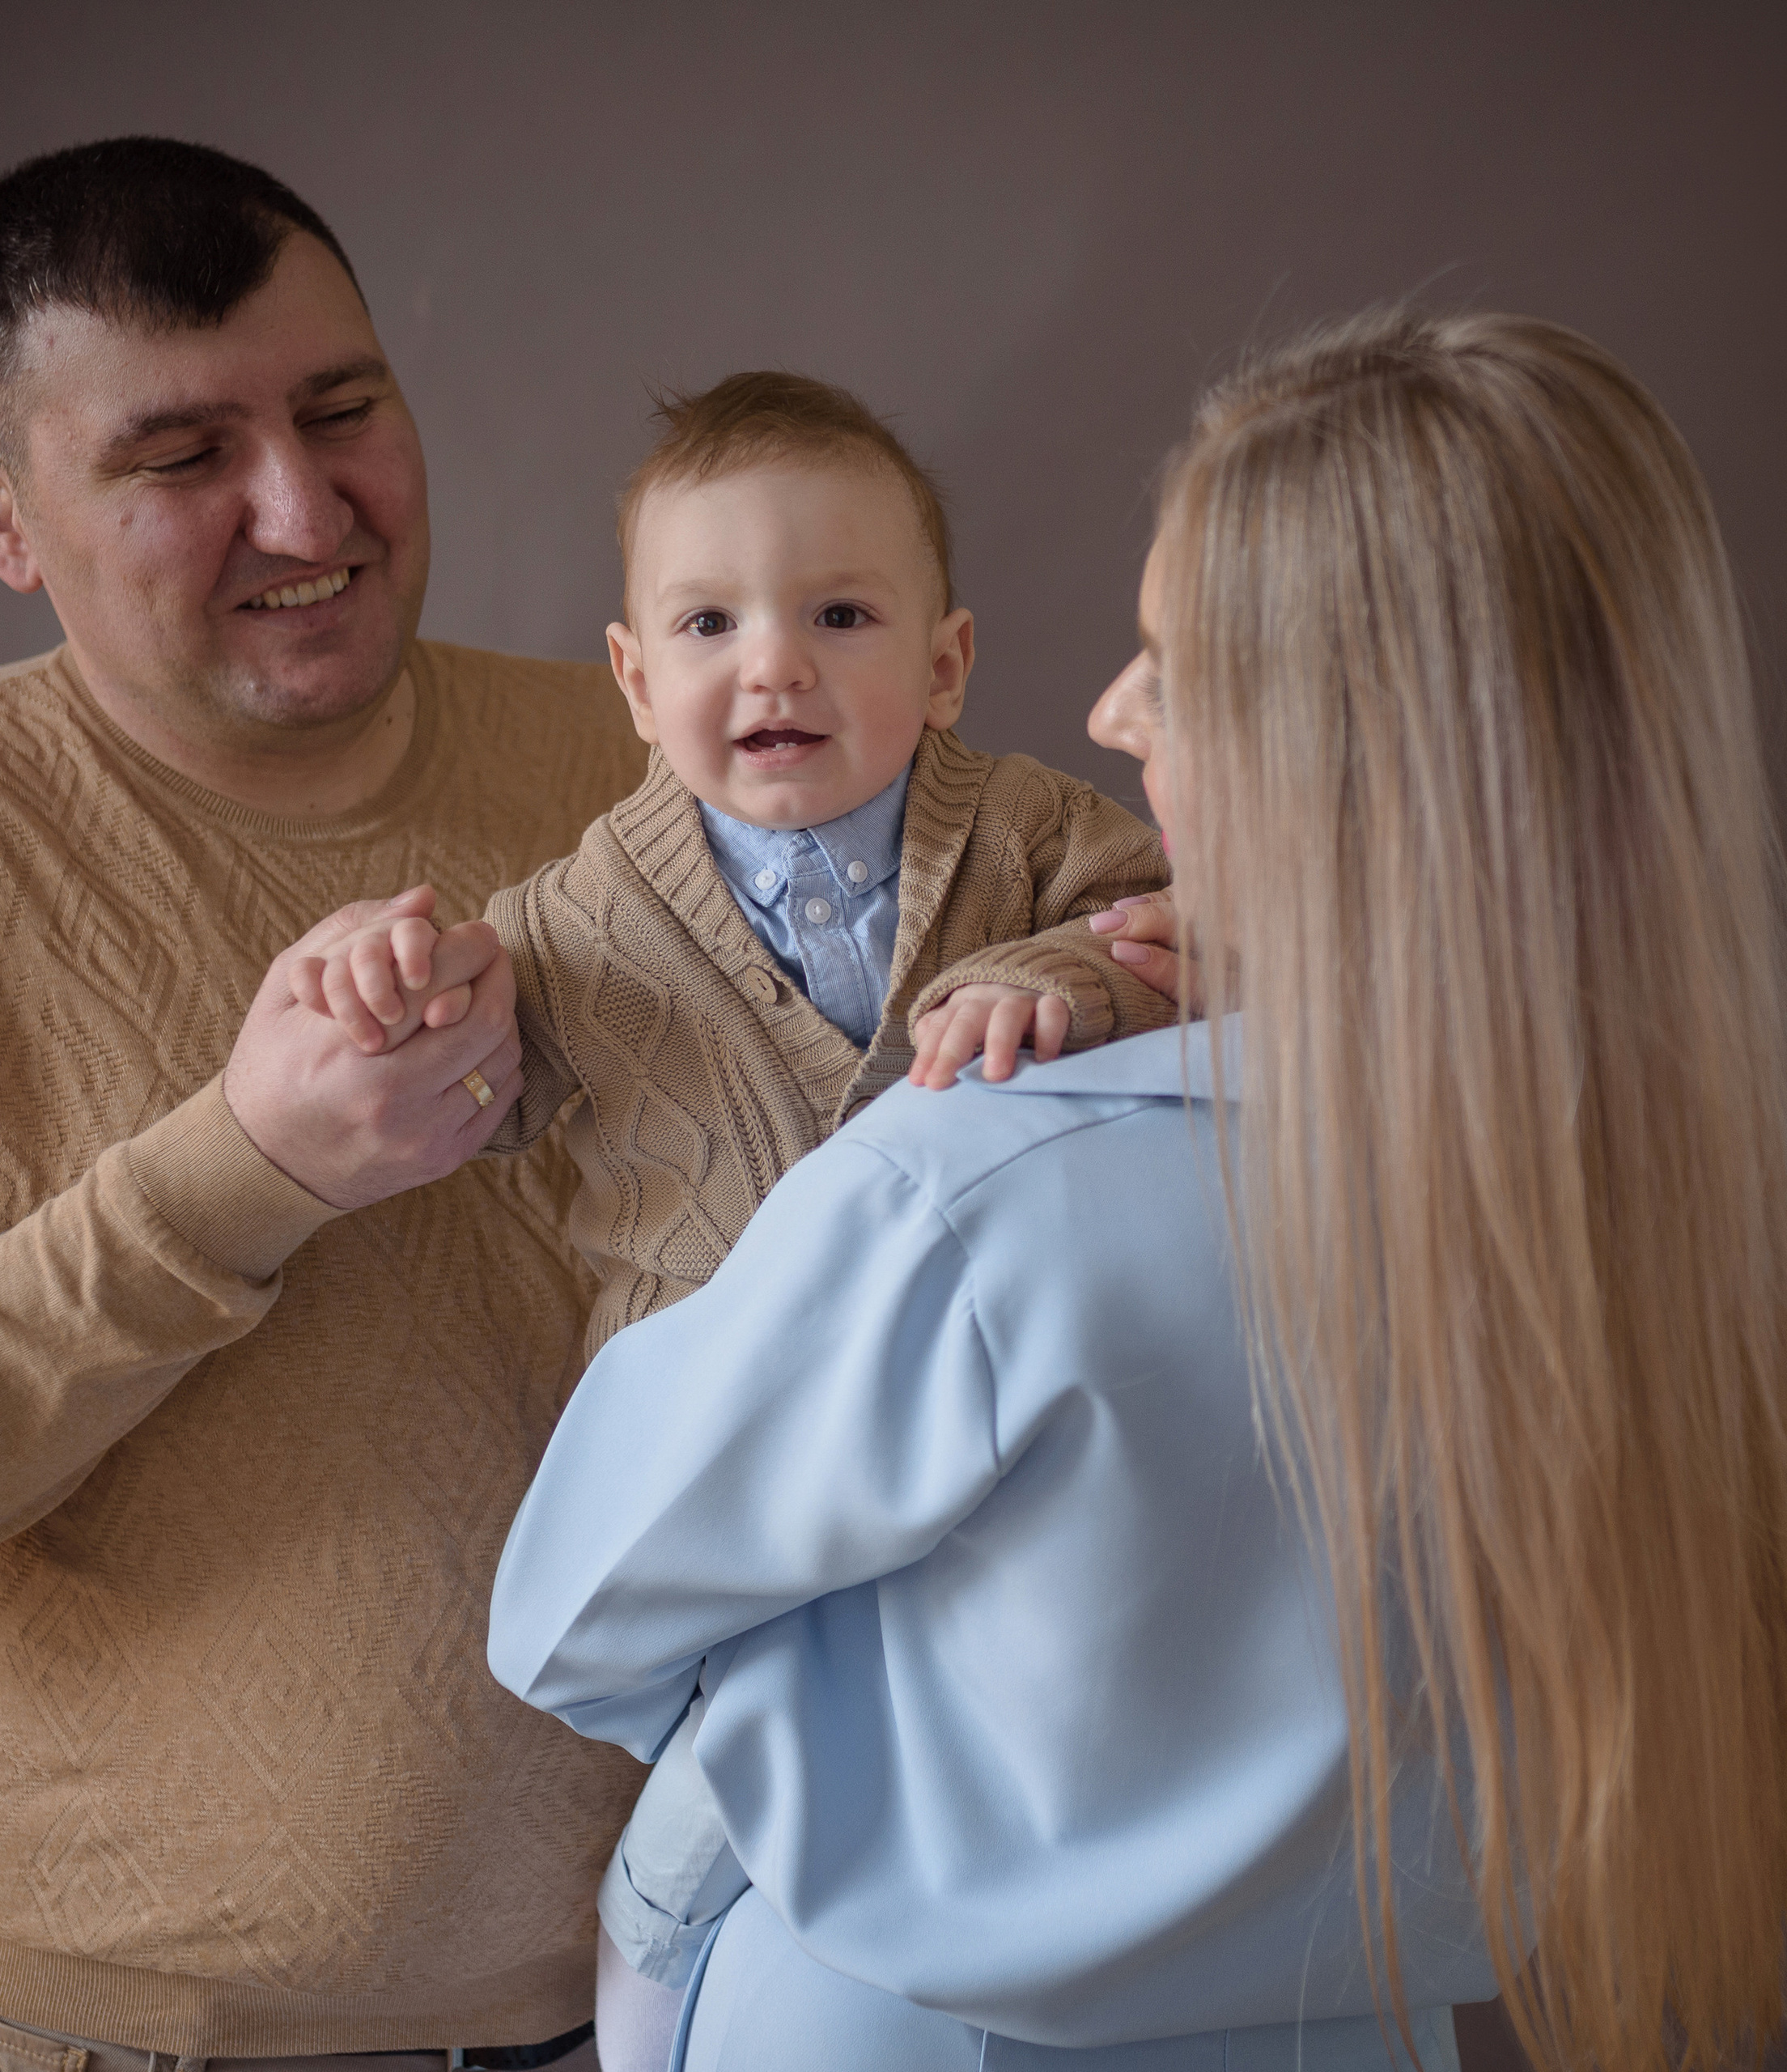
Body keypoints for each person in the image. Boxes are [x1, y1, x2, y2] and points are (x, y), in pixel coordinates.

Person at [486, 310, 1787, 2071]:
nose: (1103, 713)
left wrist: (860, 1641)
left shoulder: (967, 1197)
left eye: (1163, 667)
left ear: (1327, 731)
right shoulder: (1692, 1218)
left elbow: (571, 1612)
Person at [0, 136, 655, 2070]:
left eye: (342, 409)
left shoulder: (644, 751)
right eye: (179, 458)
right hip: (123, 2044)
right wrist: (250, 1171)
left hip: (685, 1994)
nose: (303, 507)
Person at [301, 370, 1171, 2067]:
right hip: (729, 1459)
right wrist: (389, 986)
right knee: (743, 1783)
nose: (769, 664)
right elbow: (452, 1068)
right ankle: (665, 1980)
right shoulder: (572, 925)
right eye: (707, 622)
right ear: (635, 678)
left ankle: (1013, 1966)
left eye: (838, 614)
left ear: (941, 661)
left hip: (982, 1433)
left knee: (996, 1731)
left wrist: (1052, 977)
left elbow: (1169, 927)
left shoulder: (1025, 829)